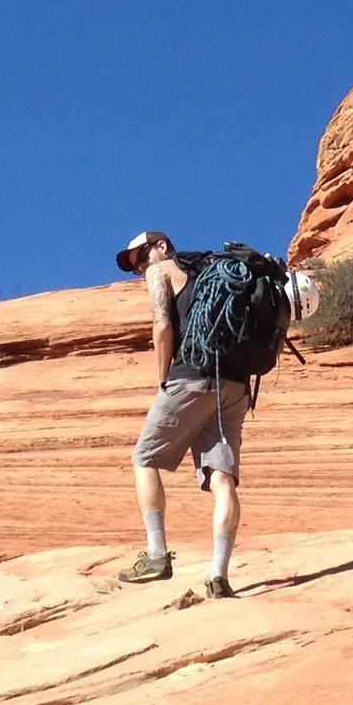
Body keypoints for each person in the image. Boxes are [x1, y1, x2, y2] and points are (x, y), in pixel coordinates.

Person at [113, 230, 247, 598]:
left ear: (162, 245)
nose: (141, 266)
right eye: (136, 265)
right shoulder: (216, 272)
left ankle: (157, 554)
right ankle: (218, 574)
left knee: (144, 458)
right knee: (222, 477)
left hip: (191, 376)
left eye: (143, 256)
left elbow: (162, 324)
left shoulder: (162, 270)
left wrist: (162, 378)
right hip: (235, 383)